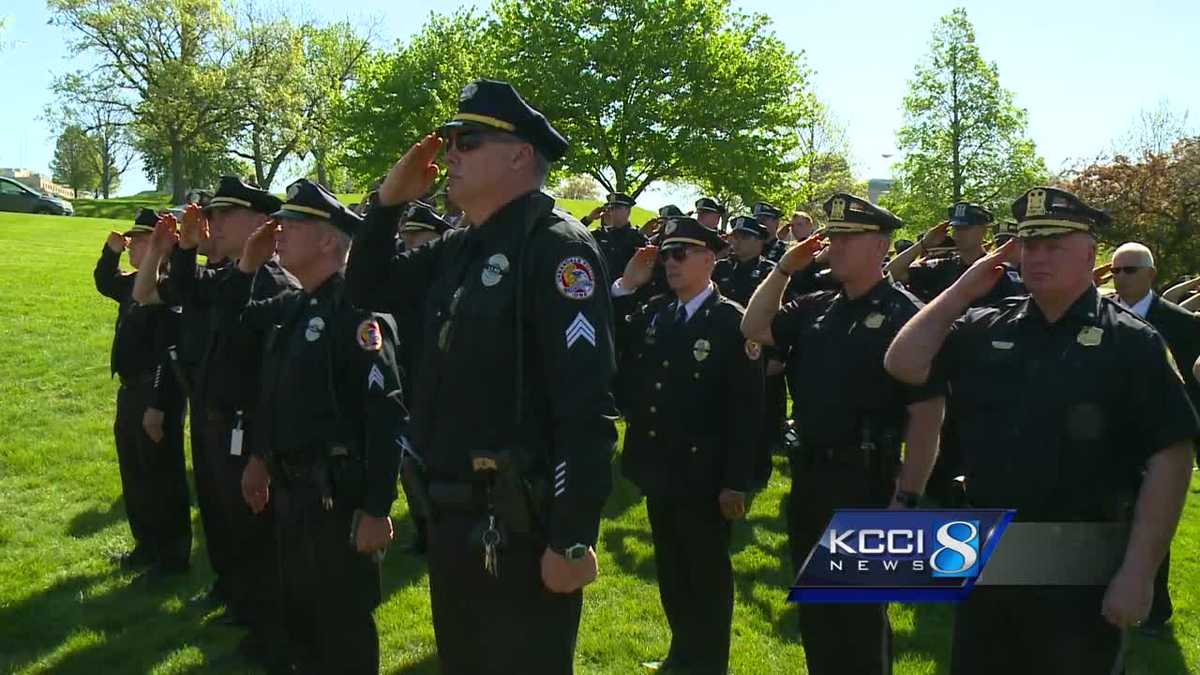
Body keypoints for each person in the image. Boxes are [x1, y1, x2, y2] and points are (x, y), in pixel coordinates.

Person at [344, 78, 617, 674]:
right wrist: (387, 203)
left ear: (519, 154)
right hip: (452, 518)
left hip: (520, 527)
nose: (448, 156)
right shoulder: (459, 247)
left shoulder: (556, 249)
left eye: (466, 142)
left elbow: (586, 405)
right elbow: (364, 289)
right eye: (448, 142)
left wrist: (571, 536)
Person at [884, 187, 1199, 674]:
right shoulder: (989, 326)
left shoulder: (1130, 341)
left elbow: (1171, 456)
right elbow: (903, 362)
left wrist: (1139, 573)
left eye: (1054, 245)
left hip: (1080, 564)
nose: (1037, 257)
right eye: (1029, 245)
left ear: (1090, 253)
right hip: (987, 555)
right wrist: (965, 287)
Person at [741, 193, 945, 675]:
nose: (834, 246)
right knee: (817, 611)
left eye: (847, 238)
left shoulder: (906, 316)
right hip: (810, 477)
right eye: (832, 237)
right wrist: (783, 270)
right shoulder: (815, 307)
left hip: (869, 484)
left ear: (881, 246)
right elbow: (754, 326)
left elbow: (927, 416)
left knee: (858, 616)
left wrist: (908, 499)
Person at [221, 179, 403, 674]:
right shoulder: (297, 305)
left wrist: (375, 508)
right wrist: (259, 457)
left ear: (329, 241)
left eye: (294, 224)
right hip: (292, 493)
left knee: (341, 632)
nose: (279, 232)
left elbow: (385, 413)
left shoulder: (358, 311)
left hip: (336, 499)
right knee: (301, 624)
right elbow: (237, 338)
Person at [610, 217, 763, 674]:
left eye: (681, 254)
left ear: (709, 259)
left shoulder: (732, 321)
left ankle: (709, 663)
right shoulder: (656, 311)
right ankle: (683, 654)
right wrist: (624, 288)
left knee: (707, 575)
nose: (670, 264)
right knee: (674, 571)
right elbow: (609, 341)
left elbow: (747, 412)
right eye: (666, 255)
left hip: (705, 474)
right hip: (658, 466)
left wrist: (736, 482)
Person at [159, 177, 295, 659]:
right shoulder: (230, 277)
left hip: (249, 426)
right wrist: (186, 248)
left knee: (256, 532)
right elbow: (184, 292)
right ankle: (241, 600)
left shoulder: (274, 283)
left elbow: (271, 378)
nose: (212, 221)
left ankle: (268, 629)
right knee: (225, 520)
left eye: (222, 215)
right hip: (218, 418)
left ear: (261, 222)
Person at [885, 203, 1026, 504]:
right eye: (956, 228)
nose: (960, 234)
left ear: (984, 230)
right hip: (938, 365)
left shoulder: (1002, 274)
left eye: (967, 228)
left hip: (979, 369)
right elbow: (893, 273)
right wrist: (924, 245)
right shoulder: (940, 266)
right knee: (934, 439)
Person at [93, 209, 192, 576]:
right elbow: (105, 281)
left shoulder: (169, 287)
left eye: (139, 238)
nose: (132, 243)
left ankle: (172, 555)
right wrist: (110, 251)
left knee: (161, 475)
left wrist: (156, 404)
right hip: (131, 388)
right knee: (135, 471)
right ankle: (146, 545)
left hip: (157, 391)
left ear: (159, 243)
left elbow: (169, 353)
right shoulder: (135, 282)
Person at [1108, 241, 1200, 629]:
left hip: (1157, 438)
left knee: (1153, 519)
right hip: (1106, 435)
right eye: (1115, 271)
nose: (1121, 278)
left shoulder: (1181, 324)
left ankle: (1154, 609)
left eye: (1130, 270)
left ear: (1150, 274)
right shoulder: (1101, 313)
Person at [585, 192, 648, 280]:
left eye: (616, 208)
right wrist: (588, 219)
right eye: (610, 208)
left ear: (628, 211)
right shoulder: (599, 235)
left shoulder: (637, 238)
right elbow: (574, 236)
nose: (611, 212)